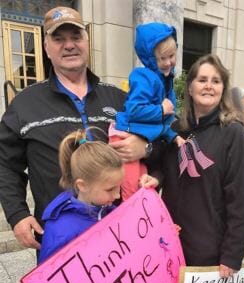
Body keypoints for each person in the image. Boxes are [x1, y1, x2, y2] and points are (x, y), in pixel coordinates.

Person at [0, 6, 148, 253]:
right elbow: (4, 164)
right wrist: (17, 214)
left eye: (76, 37)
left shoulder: (119, 98)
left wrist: (146, 147)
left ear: (87, 41)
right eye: (58, 39)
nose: (69, 45)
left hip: (122, 236)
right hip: (61, 241)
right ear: (46, 47)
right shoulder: (24, 104)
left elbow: (164, 136)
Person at [142, 54, 244, 283]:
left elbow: (241, 199)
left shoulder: (232, 133)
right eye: (202, 79)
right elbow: (162, 165)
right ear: (189, 86)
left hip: (211, 239)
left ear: (223, 88)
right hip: (175, 235)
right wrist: (156, 179)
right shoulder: (177, 128)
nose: (208, 85)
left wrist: (232, 254)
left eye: (215, 81)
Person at [20, 128, 124, 283]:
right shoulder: (61, 231)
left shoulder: (105, 209)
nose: (117, 196)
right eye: (111, 189)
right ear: (82, 185)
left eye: (119, 187)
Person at [111, 22, 184, 200]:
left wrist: (173, 137)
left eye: (172, 56)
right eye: (162, 59)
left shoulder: (166, 81)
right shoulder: (143, 77)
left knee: (142, 187)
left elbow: (160, 124)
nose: (168, 63)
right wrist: (161, 109)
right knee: (131, 195)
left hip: (140, 140)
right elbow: (135, 110)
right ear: (151, 59)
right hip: (124, 137)